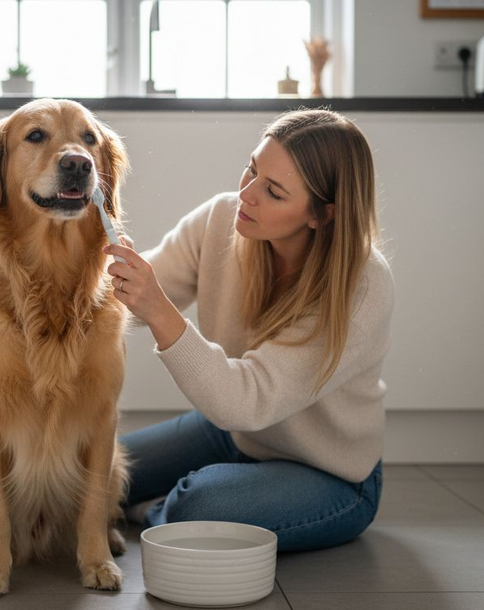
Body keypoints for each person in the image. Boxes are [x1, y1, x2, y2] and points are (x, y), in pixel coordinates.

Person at [103, 109, 394, 552]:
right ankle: (160, 510)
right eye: (252, 169)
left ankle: (165, 514)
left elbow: (244, 402)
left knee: (196, 506)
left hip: (327, 471)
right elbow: (128, 300)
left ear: (321, 213)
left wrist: (159, 309)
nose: (247, 195)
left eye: (273, 192)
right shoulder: (221, 218)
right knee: (96, 468)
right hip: (238, 436)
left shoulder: (360, 287)